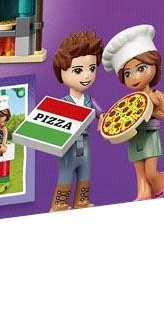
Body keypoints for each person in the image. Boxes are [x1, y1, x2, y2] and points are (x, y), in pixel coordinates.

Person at [102, 25, 164, 199]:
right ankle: (143, 196)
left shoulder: (157, 95)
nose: (134, 77)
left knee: (150, 173)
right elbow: (122, 117)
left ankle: (162, 184)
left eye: (141, 69)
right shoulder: (130, 101)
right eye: (127, 74)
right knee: (140, 175)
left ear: (154, 65)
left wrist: (152, 109)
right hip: (133, 136)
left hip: (150, 135)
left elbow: (163, 115)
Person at [50, 30, 104, 211]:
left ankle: (82, 201)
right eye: (78, 71)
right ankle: (59, 204)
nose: (87, 76)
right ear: (62, 71)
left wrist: (103, 117)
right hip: (69, 147)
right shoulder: (64, 102)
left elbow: (100, 112)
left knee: (85, 173)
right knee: (65, 174)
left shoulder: (89, 100)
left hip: (85, 144)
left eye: (92, 69)